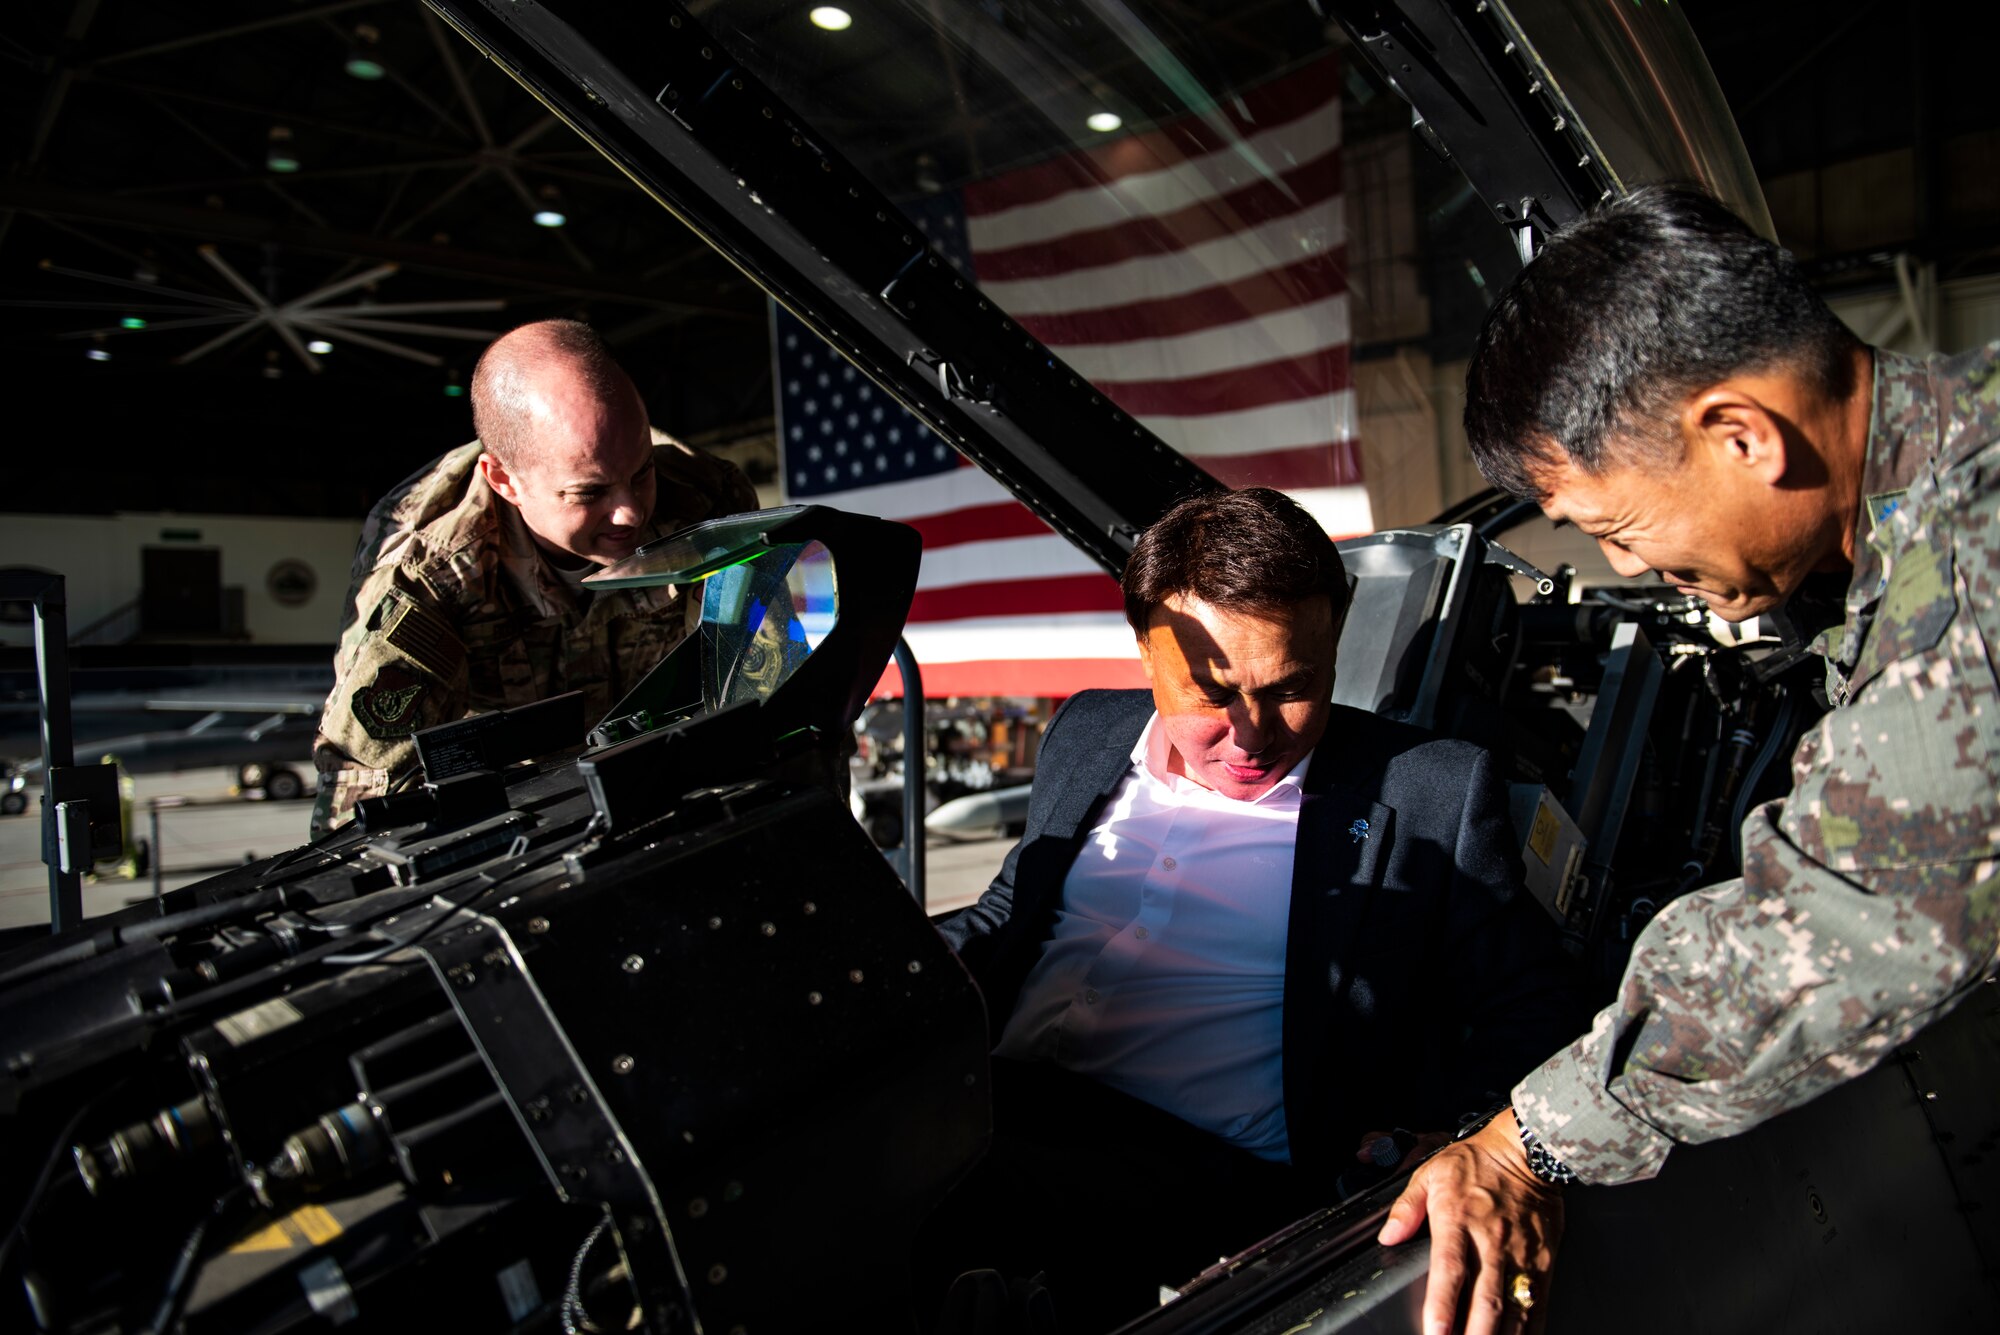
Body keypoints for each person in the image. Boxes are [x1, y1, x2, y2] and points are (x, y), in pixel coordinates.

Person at [1380, 185, 2000, 1334]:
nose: (1630, 566)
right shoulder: (1926, 505)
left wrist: (1526, 1143)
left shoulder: (1972, 547)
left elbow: (1853, 911)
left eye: (1618, 530)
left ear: (1740, 436)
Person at [928, 487, 1583, 1332]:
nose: (1249, 735)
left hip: (1196, 1174)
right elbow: (1014, 904)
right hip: (990, 1092)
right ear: (1143, 651)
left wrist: (1483, 1142)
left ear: (1334, 644)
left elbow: (1536, 1006)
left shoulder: (1432, 792)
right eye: (1209, 693)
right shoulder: (1089, 727)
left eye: (1291, 687)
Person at [311, 319, 757, 836]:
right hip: (518, 817)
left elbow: (766, 689)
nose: (631, 512)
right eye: (589, 493)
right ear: (504, 482)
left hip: (673, 784)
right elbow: (364, 796)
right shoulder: (428, 573)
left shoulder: (708, 501)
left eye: (641, 473)